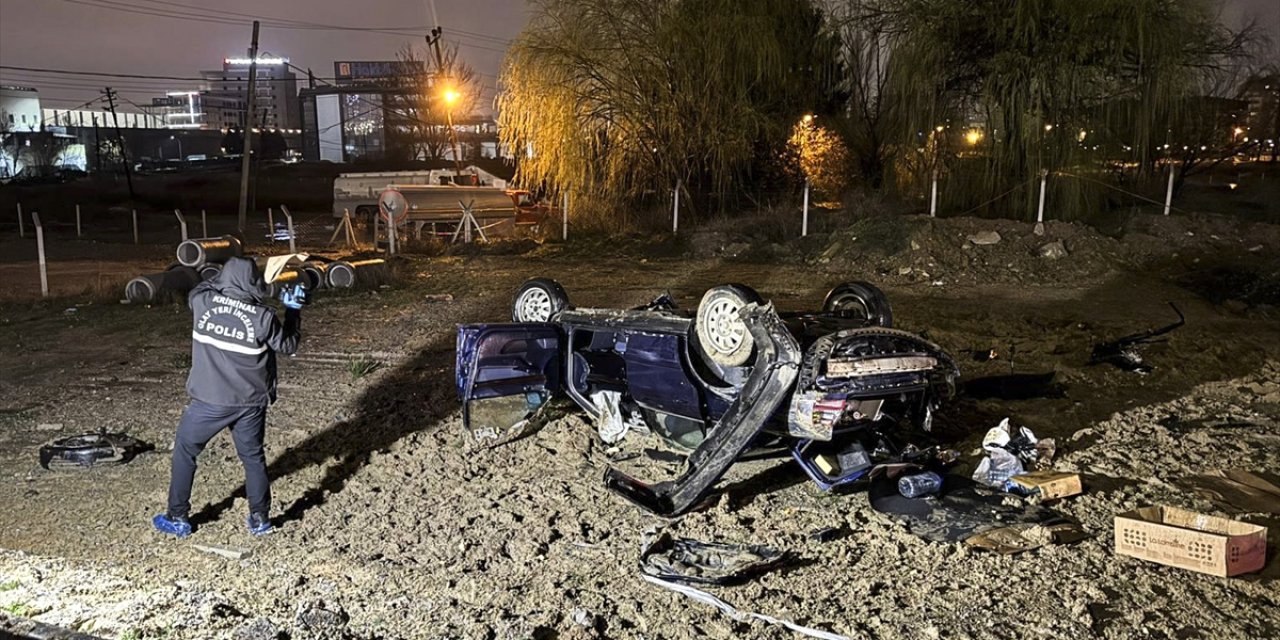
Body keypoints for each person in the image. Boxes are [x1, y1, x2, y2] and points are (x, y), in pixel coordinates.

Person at [153, 256, 305, 537]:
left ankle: (177, 516)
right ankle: (260, 519)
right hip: (251, 401)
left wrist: (224, 279)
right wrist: (293, 310)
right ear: (254, 282)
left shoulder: (202, 302)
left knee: (185, 451)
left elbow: (201, 286)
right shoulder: (263, 317)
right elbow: (289, 345)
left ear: (222, 278)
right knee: (253, 458)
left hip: (210, 401)